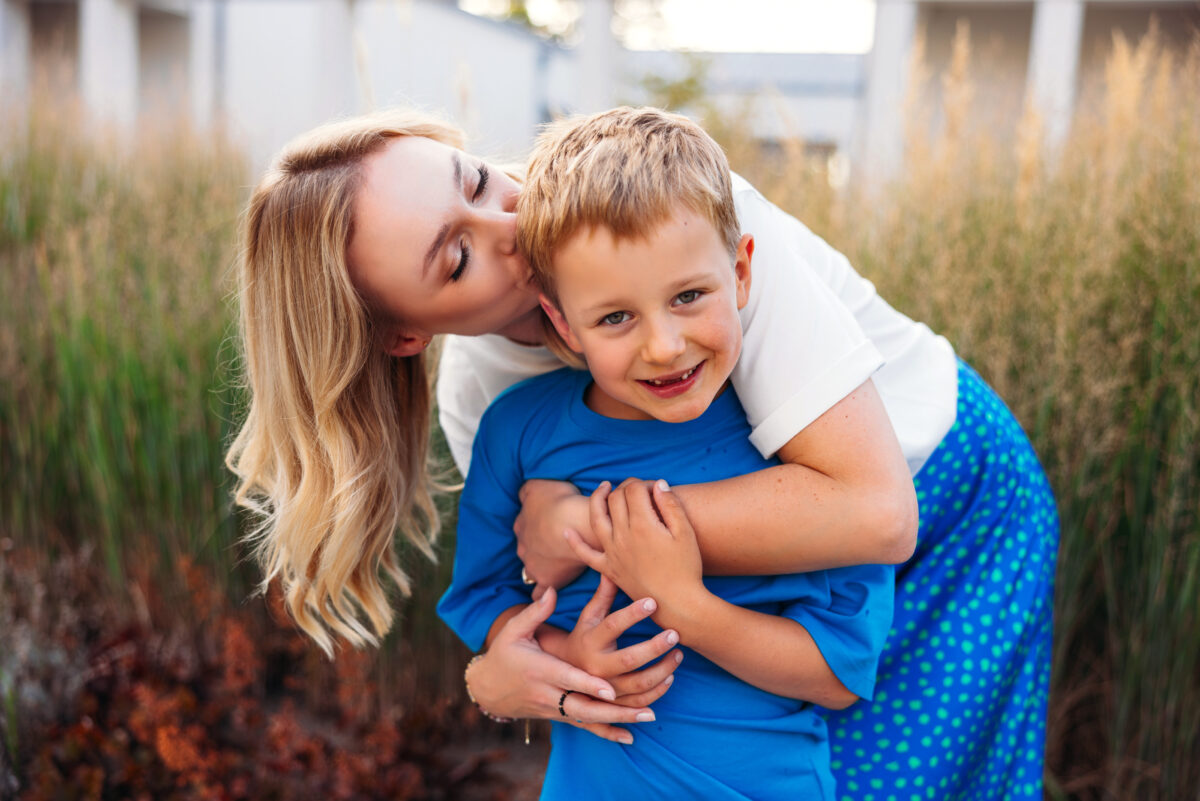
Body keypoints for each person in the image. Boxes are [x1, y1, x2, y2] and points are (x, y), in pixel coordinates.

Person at [226, 106, 1058, 800]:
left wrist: (589, 520)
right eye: (457, 256)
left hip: (947, 497)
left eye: (477, 178)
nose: (512, 224)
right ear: (406, 333)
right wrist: (501, 676)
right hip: (763, 587)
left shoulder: (673, 212)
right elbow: (559, 608)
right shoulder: (486, 403)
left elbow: (876, 514)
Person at [438, 107, 893, 799]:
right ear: (562, 322)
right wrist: (567, 658)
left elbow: (839, 674)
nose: (664, 345)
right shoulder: (517, 435)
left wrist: (687, 603)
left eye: (688, 296)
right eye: (615, 316)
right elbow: (486, 599)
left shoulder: (801, 459)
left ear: (741, 273)